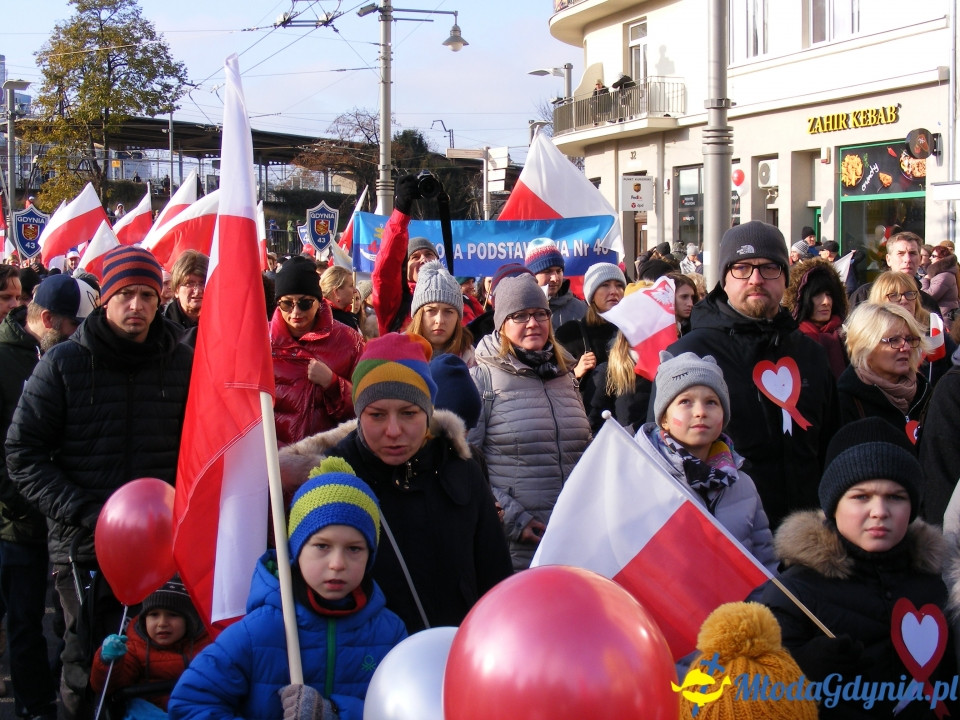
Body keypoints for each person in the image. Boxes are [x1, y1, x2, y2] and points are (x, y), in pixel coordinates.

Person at [5, 245, 193, 720]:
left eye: (147, 295)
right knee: (87, 660)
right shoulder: (64, 364)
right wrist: (86, 512)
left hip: (162, 544)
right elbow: (23, 454)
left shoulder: (184, 362)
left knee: (159, 662)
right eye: (125, 294)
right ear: (105, 300)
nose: (137, 306)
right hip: (84, 545)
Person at [278, 333, 512, 632]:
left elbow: (495, 572)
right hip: (370, 663)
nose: (393, 430)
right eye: (377, 415)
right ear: (359, 414)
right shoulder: (335, 480)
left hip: (460, 652)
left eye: (408, 413)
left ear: (427, 412)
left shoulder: (460, 466)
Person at [169, 459, 408, 720]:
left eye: (354, 549)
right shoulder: (259, 631)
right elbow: (190, 703)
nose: (337, 564)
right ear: (295, 550)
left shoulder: (390, 632)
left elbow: (407, 709)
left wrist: (336, 713)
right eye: (322, 546)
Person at [761, 417, 957, 719]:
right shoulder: (791, 596)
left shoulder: (939, 585)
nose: (879, 512)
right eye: (861, 497)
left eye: (895, 497)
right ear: (832, 506)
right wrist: (797, 670)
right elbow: (745, 694)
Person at [656, 221, 839, 530]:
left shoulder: (811, 353)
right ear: (724, 279)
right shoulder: (688, 355)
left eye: (769, 268)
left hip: (810, 541)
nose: (756, 279)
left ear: (785, 277)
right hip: (728, 543)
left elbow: (832, 444)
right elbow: (665, 460)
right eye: (742, 268)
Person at [0, 275, 98, 720]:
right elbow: (14, 450)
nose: (83, 334)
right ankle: (33, 706)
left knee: (69, 626)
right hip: (19, 521)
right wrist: (25, 500)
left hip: (64, 522)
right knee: (24, 622)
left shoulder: (74, 358)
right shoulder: (5, 360)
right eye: (75, 325)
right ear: (46, 319)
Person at [469, 273, 591, 570]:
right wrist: (512, 519)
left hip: (575, 539)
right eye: (520, 316)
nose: (533, 323)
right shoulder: (481, 379)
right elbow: (467, 466)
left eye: (540, 313)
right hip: (518, 546)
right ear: (502, 324)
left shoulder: (565, 376)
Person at [638, 351, 778, 574]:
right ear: (663, 418)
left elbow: (765, 559)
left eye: (712, 402)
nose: (701, 412)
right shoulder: (644, 480)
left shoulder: (743, 484)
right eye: (685, 402)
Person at [271, 256, 364, 447]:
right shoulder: (260, 342)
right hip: (271, 461)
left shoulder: (349, 340)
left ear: (319, 301)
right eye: (287, 304)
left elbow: (365, 405)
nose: (295, 312)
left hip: (325, 457)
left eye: (304, 303)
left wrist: (332, 383)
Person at [90, 578, 211, 714]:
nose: (162, 623)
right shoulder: (135, 648)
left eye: (172, 615)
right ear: (144, 619)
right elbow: (106, 687)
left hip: (199, 709)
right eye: (154, 615)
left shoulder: (206, 645)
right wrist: (107, 661)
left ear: (189, 620)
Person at [839, 302, 931, 441]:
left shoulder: (925, 392)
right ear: (866, 345)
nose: (905, 347)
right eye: (894, 340)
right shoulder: (846, 401)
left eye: (909, 339)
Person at [371, 175, 439, 335]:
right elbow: (386, 267)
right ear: (404, 269)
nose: (423, 259)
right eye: (415, 257)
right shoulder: (395, 305)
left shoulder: (461, 301)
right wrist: (401, 211)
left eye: (429, 254)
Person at [555, 262, 626, 405]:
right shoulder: (570, 334)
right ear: (591, 294)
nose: (614, 291)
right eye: (605, 285)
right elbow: (552, 386)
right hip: (589, 421)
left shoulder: (633, 330)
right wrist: (575, 374)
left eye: (619, 285)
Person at [868, 271, 955, 386]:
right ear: (879, 302)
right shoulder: (868, 336)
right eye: (894, 295)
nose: (904, 300)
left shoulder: (934, 328)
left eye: (909, 294)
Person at [783, 257, 848, 379]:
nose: (826, 302)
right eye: (817, 295)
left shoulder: (847, 338)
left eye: (829, 295)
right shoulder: (787, 340)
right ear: (801, 299)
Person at [851, 231, 940, 314]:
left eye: (912, 253)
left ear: (920, 259)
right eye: (901, 253)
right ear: (888, 259)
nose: (907, 259)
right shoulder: (864, 295)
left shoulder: (928, 303)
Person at [408, 261, 474, 366]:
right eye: (430, 310)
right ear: (418, 315)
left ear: (458, 317)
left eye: (448, 311)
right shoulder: (399, 358)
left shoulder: (473, 360)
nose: (439, 320)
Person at [524, 237, 586, 330]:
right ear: (532, 275)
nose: (555, 278)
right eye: (547, 271)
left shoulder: (580, 309)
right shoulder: (517, 311)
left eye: (559, 271)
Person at [162, 249, 208, 345]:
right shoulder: (160, 328)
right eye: (189, 283)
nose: (198, 290)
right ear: (176, 290)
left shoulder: (221, 325)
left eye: (202, 283)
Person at [921, 244, 959, 322]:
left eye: (934, 256)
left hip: (944, 318)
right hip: (941, 316)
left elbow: (929, 297)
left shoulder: (944, 276)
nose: (930, 258)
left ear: (942, 259)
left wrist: (925, 280)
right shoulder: (940, 274)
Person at [320, 265, 361, 332]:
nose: (355, 291)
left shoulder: (351, 317)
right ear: (336, 292)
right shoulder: (327, 320)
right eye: (351, 286)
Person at [669, 272, 699, 337]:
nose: (690, 304)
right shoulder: (656, 330)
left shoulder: (695, 329)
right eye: (684, 297)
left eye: (692, 297)